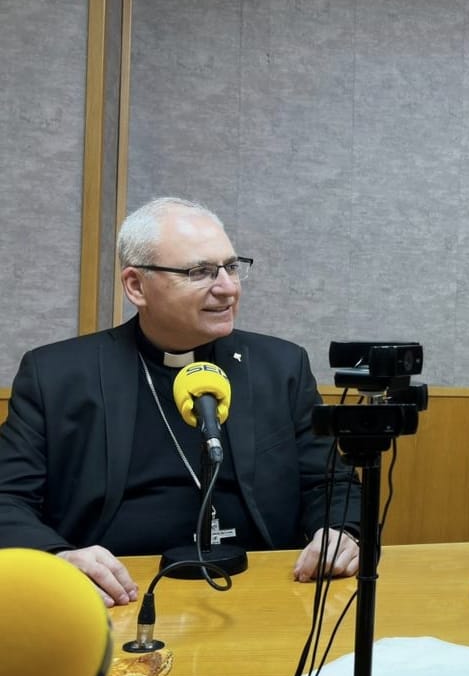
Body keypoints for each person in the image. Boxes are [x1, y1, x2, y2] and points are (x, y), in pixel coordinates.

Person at [0, 197, 361, 606]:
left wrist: (341, 531)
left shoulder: (280, 366)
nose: (227, 287)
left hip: (266, 586)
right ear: (136, 286)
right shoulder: (57, 375)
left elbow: (330, 482)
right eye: (200, 272)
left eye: (231, 266)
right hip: (118, 595)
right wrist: (58, 558)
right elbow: (6, 498)